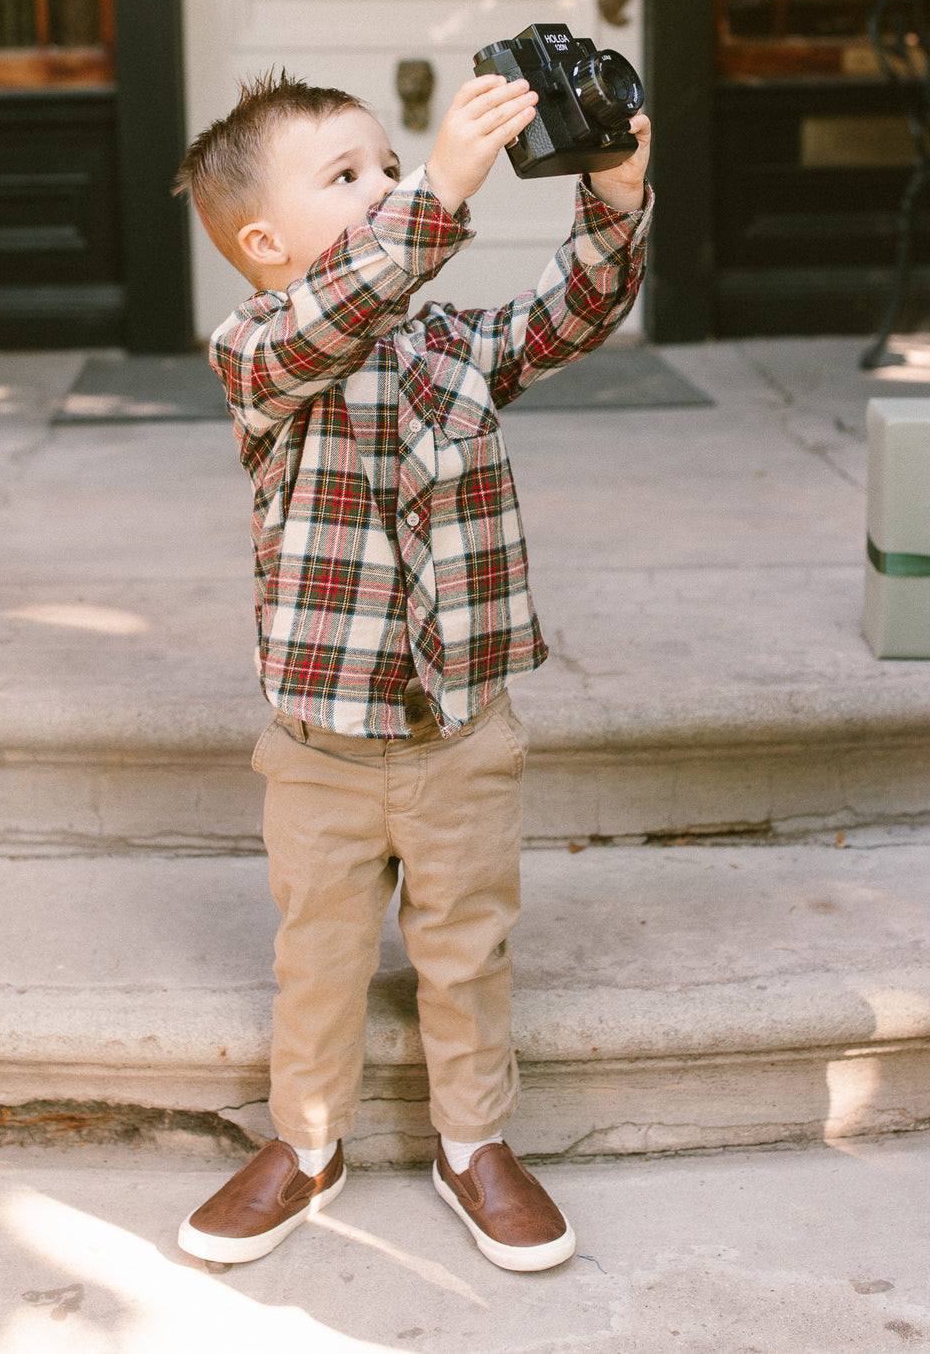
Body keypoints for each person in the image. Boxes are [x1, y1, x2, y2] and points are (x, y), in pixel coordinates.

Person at [172, 66, 652, 1273]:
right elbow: (343, 304)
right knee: (319, 956)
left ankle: (473, 1143)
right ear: (266, 243)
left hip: (459, 736)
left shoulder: (448, 343)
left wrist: (616, 196)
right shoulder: (259, 350)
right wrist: (437, 188)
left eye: (390, 165)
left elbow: (570, 315)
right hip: (320, 746)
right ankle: (308, 1141)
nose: (387, 186)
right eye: (350, 176)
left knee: (468, 948)